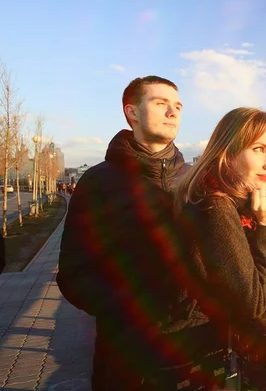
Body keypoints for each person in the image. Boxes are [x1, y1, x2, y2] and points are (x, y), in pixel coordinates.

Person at [57, 76, 206, 390]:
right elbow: (73, 275)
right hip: (128, 359)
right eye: (160, 103)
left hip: (199, 357)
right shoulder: (99, 182)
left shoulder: (198, 182)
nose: (173, 113)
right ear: (132, 112)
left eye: (177, 106)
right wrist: (132, 309)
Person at [172, 107, 266, 385]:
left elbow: (235, 281)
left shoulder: (216, 201)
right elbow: (253, 301)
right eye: (259, 149)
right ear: (227, 153)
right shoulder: (215, 207)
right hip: (182, 362)